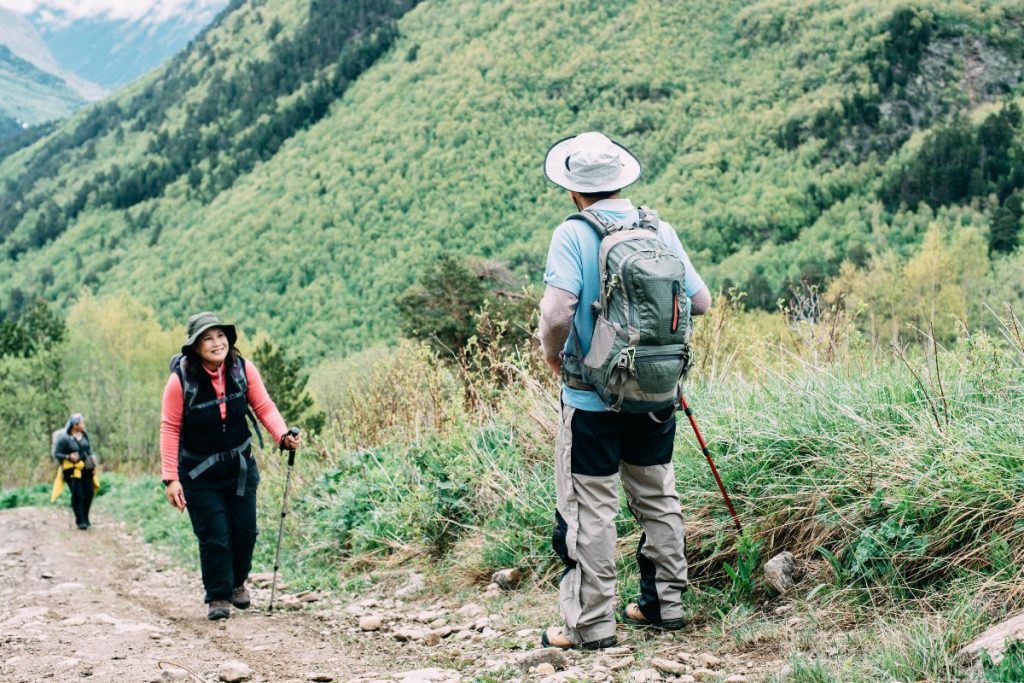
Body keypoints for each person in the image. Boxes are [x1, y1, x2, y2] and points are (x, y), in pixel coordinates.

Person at [537, 132, 712, 650]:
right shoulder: (660, 230)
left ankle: (591, 624)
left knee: (589, 507)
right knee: (658, 496)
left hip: (592, 399)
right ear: (623, 182)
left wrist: (555, 357)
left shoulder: (572, 234)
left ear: (574, 191)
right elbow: (699, 302)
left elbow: (555, 313)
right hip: (657, 395)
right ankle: (666, 605)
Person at [160, 311, 301, 620]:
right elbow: (170, 428)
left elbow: (263, 405)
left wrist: (282, 435)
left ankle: (237, 583)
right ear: (195, 347)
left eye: (220, 336)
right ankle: (218, 596)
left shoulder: (242, 369)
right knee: (215, 535)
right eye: (207, 338)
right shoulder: (180, 380)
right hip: (198, 473)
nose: (216, 342)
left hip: (239, 467)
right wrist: (171, 478)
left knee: (245, 531)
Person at [53, 413, 97, 530]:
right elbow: (56, 454)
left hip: (86, 467)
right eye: (82, 423)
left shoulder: (84, 434)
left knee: (89, 493)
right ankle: (80, 521)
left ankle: (86, 517)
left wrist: (93, 463)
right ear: (75, 425)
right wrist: (68, 456)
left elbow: (89, 450)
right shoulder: (64, 438)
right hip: (71, 469)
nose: (83, 424)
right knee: (78, 494)